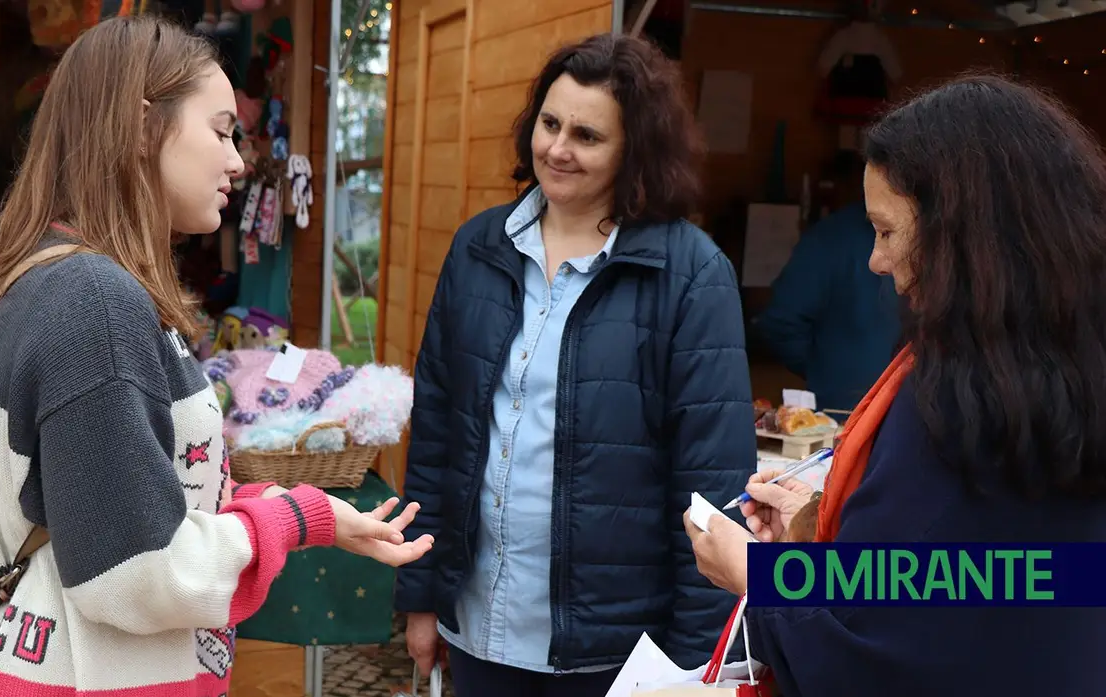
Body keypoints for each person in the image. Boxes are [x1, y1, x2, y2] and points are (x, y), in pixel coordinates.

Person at [0, 16, 433, 696]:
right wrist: (294, 518)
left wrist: (306, 507)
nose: (238, 158)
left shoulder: (41, 273)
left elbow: (145, 498)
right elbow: (139, 573)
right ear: (143, 127)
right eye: (221, 129)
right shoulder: (93, 298)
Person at [687, 74, 1106, 696]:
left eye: (886, 232)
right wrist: (816, 527)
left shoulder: (955, 396)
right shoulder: (1065, 369)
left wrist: (761, 575)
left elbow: (882, 645)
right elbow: (1002, 578)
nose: (875, 261)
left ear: (965, 237)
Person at [396, 33, 756, 696]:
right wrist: (421, 594)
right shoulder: (479, 247)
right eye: (550, 123)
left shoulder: (691, 273)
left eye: (587, 136)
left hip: (617, 656)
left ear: (635, 152)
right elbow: (439, 434)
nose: (557, 149)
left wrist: (688, 664)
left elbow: (713, 483)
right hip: (479, 631)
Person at [752, 151, 901, 414]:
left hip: (851, 406)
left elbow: (780, 321)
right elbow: (781, 322)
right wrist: (823, 366)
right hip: (851, 411)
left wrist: (825, 368)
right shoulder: (833, 237)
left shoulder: (830, 236)